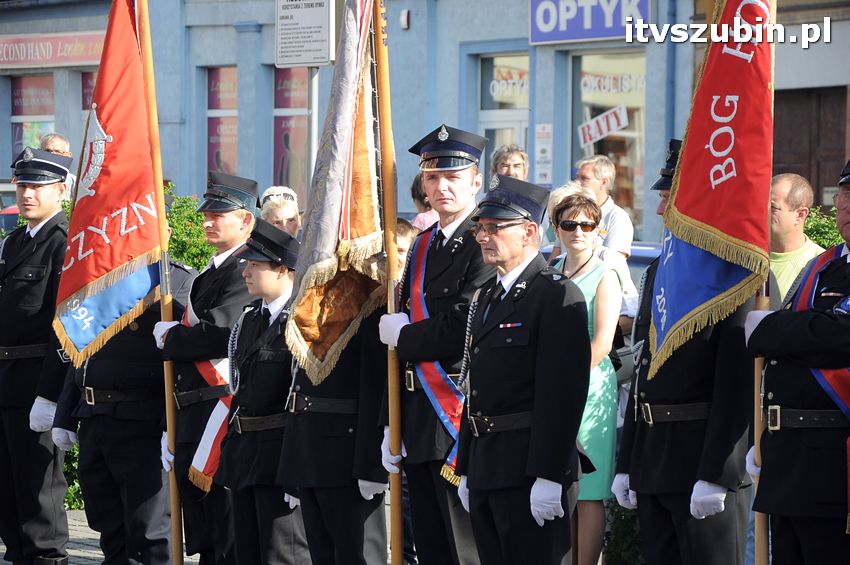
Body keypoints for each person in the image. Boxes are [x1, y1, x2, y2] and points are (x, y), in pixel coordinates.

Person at [612, 138, 752, 565]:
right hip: (653, 455)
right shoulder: (661, 269)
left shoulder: (736, 272)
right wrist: (628, 459)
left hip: (701, 458)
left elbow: (738, 382)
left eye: (669, 199)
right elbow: (644, 369)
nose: (659, 210)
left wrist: (719, 471)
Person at [51, 196, 197, 565]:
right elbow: (82, 351)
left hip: (141, 421)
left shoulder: (177, 281)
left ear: (165, 231)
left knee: (149, 531)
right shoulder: (102, 279)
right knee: (107, 525)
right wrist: (65, 414)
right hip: (94, 417)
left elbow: (180, 359)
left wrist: (169, 425)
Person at [455, 174, 591, 565]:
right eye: (481, 228)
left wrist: (548, 474)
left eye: (495, 227)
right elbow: (475, 387)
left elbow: (563, 393)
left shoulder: (556, 294)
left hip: (529, 468)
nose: (483, 237)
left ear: (530, 231)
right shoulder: (487, 295)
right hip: (487, 465)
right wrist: (466, 466)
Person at [378, 124, 493, 565]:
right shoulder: (423, 243)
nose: (442, 187)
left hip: (456, 412)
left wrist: (405, 336)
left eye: (453, 177)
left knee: (463, 548)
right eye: (432, 177)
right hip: (415, 414)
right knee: (429, 547)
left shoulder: (484, 240)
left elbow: (465, 323)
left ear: (476, 181)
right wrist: (390, 421)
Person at [743, 160, 850, 563]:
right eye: (845, 195)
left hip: (833, 458)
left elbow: (838, 337)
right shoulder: (824, 265)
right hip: (786, 452)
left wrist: (771, 329)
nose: (845, 205)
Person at [154, 171, 258, 564]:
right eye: (207, 214)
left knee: (225, 530)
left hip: (219, 408)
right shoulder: (212, 270)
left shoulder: (245, 269)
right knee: (203, 531)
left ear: (246, 219)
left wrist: (171, 339)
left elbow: (220, 333)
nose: (208, 221)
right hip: (192, 410)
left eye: (219, 214)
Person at [215, 219, 310, 565]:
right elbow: (240, 391)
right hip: (245, 455)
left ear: (283, 269)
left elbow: (302, 400)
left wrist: (298, 471)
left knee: (282, 554)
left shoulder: (301, 321)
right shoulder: (249, 319)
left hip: (280, 457)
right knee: (247, 553)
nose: (246, 272)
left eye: (256, 265)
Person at [0, 148, 72, 565]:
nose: (27, 194)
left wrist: (50, 394)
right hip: (6, 381)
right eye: (23, 185)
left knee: (38, 494)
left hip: (35, 384)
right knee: (8, 493)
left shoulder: (64, 243)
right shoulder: (14, 243)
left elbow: (66, 326)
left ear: (61, 190)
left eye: (37, 186)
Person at [277, 296, 388, 564]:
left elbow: (375, 390)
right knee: (322, 554)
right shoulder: (313, 302)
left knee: (356, 555)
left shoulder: (370, 303)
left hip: (347, 457)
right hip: (310, 451)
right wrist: (293, 467)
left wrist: (371, 466)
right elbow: (298, 391)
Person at [551, 191, 622, 565]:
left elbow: (603, 343)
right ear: (556, 229)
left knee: (590, 491)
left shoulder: (605, 275)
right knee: (561, 485)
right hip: (551, 386)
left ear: (598, 230)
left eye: (587, 224)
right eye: (570, 224)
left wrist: (566, 380)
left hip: (590, 388)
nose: (578, 231)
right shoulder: (550, 270)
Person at [767, 173, 824, 309]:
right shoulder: (748, 258)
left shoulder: (822, 265)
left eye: (772, 207)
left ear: (800, 214)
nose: (763, 212)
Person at [39, 133, 76, 199]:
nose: (52, 156)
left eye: (57, 152)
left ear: (68, 156)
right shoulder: (31, 181)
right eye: (47, 151)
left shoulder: (76, 183)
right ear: (39, 153)